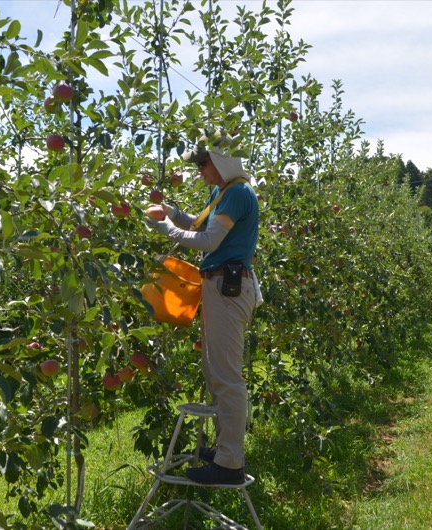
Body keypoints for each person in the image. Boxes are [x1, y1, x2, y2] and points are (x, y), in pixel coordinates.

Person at [144, 133, 259, 485]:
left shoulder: (238, 193)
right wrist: (175, 214)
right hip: (219, 287)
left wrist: (165, 228)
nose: (199, 170)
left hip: (229, 288)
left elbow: (209, 241)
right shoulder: (223, 193)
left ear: (221, 161)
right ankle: (226, 449)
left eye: (203, 163)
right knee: (214, 372)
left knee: (226, 377)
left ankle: (229, 464)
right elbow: (201, 224)